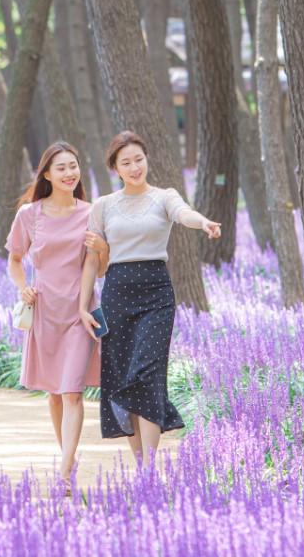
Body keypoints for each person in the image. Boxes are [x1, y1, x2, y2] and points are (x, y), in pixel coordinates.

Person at [78, 131, 220, 468]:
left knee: (149, 373)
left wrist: (202, 223)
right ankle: (142, 466)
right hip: (116, 295)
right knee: (123, 377)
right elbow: (92, 262)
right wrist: (83, 307)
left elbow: (183, 213)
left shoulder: (163, 197)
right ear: (115, 167)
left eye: (138, 159)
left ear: (147, 159)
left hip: (156, 293)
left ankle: (151, 469)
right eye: (125, 162)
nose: (134, 167)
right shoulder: (104, 206)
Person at [6, 141, 110, 493]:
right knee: (53, 393)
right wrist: (23, 288)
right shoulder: (29, 215)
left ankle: (65, 471)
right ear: (47, 174)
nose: (69, 173)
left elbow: (98, 268)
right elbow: (15, 259)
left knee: (72, 393)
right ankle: (68, 456)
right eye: (61, 167)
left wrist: (104, 251)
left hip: (80, 312)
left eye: (74, 166)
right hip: (45, 313)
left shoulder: (92, 212)